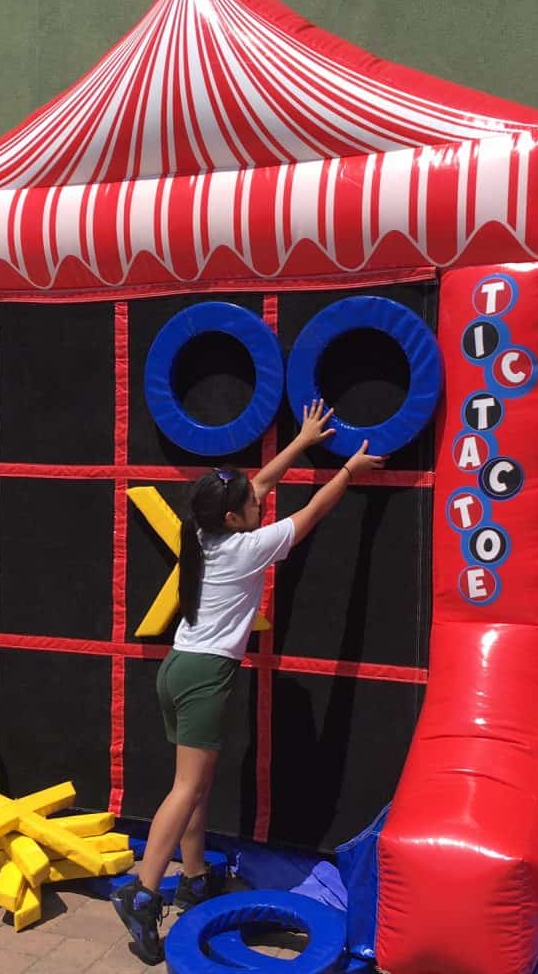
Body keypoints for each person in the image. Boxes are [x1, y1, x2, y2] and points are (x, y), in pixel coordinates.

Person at [111, 399, 387, 964]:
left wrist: (304, 442)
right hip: (204, 675)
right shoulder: (246, 547)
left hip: (178, 669)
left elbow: (258, 484)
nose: (259, 499)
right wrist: (345, 473)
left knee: (198, 786)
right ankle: (143, 895)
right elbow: (309, 514)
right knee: (186, 788)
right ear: (235, 517)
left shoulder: (204, 531)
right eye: (250, 503)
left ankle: (192, 880)